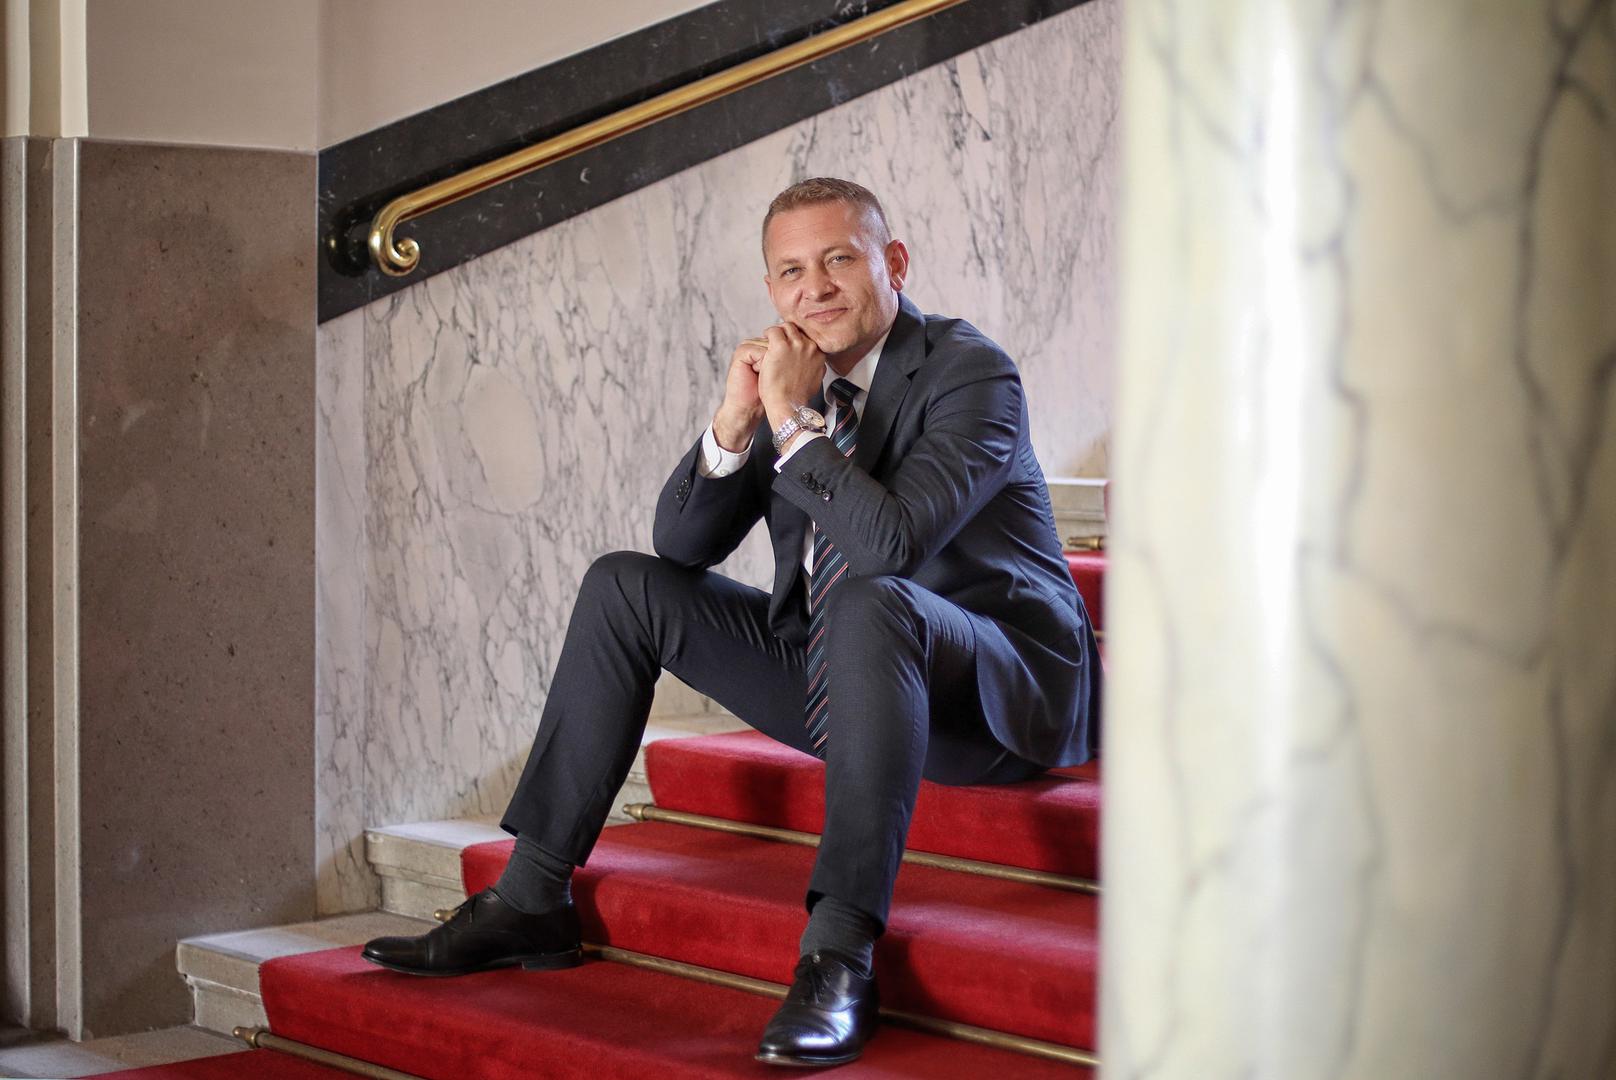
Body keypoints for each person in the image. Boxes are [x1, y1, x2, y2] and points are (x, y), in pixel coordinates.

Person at [361, 177, 1102, 1067]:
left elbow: (891, 547)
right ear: (771, 289)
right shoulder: (796, 385)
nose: (814, 288)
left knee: (873, 599)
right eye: (791, 271)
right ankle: (531, 896)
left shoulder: (970, 373)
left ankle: (838, 956)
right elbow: (680, 543)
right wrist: (738, 419)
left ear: (895, 264)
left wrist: (791, 420)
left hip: (990, 695)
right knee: (623, 586)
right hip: (850, 681)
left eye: (839, 259)